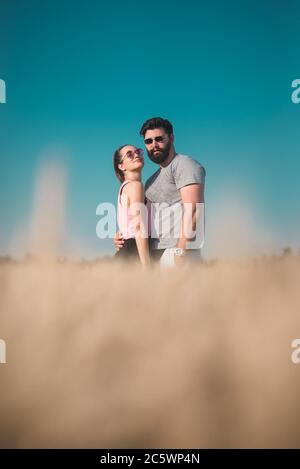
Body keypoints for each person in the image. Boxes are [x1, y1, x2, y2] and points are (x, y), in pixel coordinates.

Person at [114, 117, 206, 268]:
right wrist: (123, 235)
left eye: (159, 139)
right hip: (155, 254)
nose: (154, 145)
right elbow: (140, 219)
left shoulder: (184, 164)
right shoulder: (150, 182)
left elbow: (194, 209)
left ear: (171, 138)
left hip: (176, 251)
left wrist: (180, 252)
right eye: (148, 142)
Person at [113, 144, 150, 268]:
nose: (136, 155)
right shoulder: (135, 186)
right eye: (129, 154)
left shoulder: (125, 187)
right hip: (134, 252)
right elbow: (139, 226)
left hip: (128, 251)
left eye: (138, 151)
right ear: (121, 166)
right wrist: (147, 266)